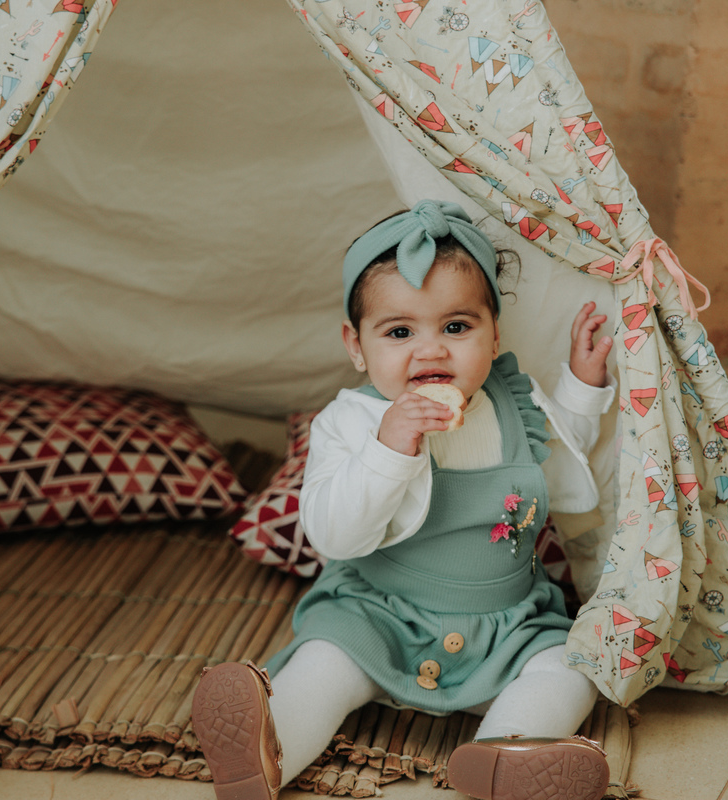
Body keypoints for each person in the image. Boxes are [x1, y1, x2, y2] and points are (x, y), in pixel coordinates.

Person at [192, 200, 617, 800]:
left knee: (571, 667)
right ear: (357, 346)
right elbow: (334, 535)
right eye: (399, 332)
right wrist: (391, 447)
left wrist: (582, 384)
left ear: (494, 335)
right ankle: (265, 753)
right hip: (378, 617)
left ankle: (506, 756)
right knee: (322, 664)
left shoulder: (512, 402)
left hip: (505, 626)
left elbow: (562, 457)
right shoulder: (350, 421)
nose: (431, 351)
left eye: (456, 327)